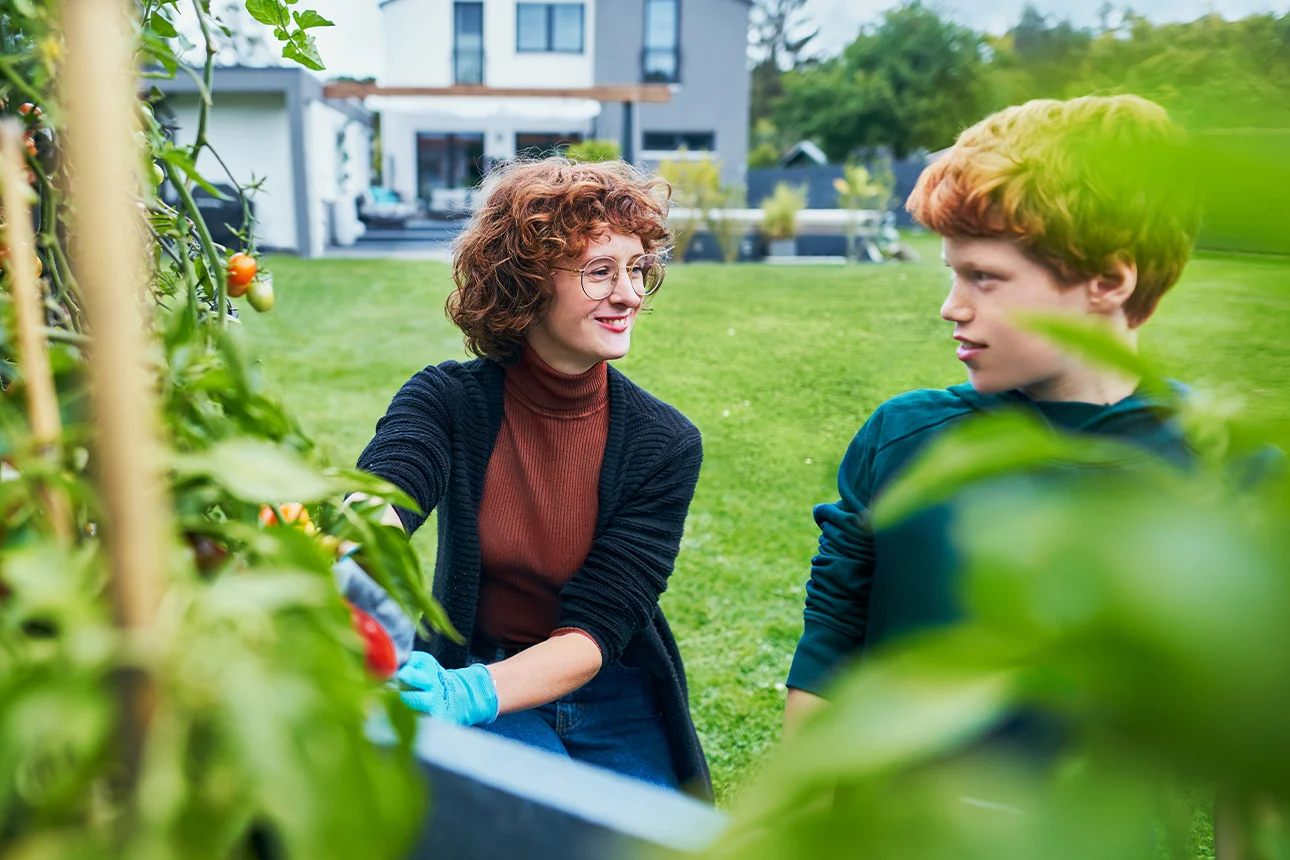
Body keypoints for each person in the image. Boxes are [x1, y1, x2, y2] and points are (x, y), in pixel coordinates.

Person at [783, 95, 1201, 734]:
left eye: (984, 277)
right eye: (952, 273)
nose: (952, 307)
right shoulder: (901, 441)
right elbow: (830, 648)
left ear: (1109, 282)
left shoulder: (1219, 468)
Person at [353, 158, 710, 797]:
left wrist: (467, 696)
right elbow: (388, 492)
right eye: (601, 271)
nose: (628, 294)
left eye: (637, 270)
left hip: (610, 689)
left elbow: (599, 626)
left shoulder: (665, 443)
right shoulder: (447, 401)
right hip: (487, 664)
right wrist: (345, 563)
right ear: (526, 284)